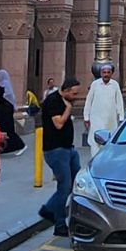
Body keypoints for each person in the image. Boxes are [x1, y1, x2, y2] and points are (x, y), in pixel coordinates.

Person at [38, 77, 82, 237]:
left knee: (75, 183)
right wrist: (68, 108)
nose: (76, 97)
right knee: (65, 186)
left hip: (68, 149)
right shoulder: (53, 101)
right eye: (74, 93)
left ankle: (57, 220)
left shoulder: (63, 100)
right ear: (67, 90)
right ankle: (52, 214)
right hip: (56, 150)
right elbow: (58, 124)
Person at [82, 64, 124, 157]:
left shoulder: (115, 85)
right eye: (104, 72)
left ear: (111, 74)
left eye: (108, 72)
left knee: (110, 141)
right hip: (96, 120)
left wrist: (121, 117)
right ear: (101, 73)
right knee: (95, 141)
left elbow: (119, 102)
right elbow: (88, 101)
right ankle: (95, 160)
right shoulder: (95, 84)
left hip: (111, 120)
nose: (106, 75)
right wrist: (86, 117)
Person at [0, 69, 26, 155]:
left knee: (9, 130)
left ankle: (20, 145)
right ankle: (9, 146)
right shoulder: (1, 85)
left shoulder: (4, 85)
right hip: (3, 112)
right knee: (5, 130)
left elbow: (5, 97)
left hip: (6, 112)